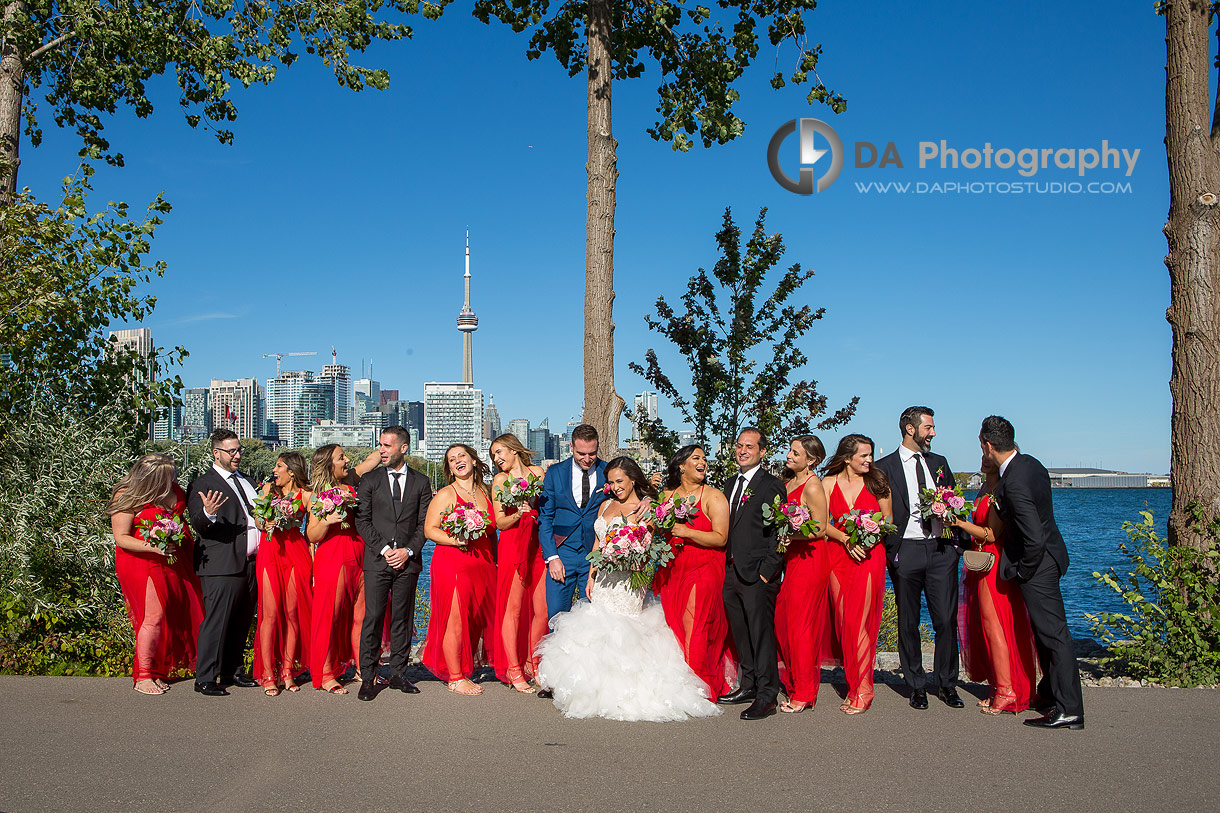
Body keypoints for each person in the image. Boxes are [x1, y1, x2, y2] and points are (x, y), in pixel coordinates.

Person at [535, 457, 720, 721]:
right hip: (602, 580)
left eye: (619, 481)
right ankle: (592, 686)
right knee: (596, 632)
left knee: (623, 632)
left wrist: (630, 554)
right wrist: (590, 575)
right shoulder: (605, 505)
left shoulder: (645, 509)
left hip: (628, 581)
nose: (615, 486)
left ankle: (624, 691)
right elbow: (598, 543)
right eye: (610, 482)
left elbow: (646, 548)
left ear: (633, 479)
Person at [980, 415, 1084, 730]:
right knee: (1045, 634)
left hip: (1037, 566)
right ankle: (1050, 696)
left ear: (987, 446)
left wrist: (1024, 570)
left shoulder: (1014, 482)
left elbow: (1033, 537)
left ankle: (1070, 710)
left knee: (1053, 635)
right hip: (1050, 557)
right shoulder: (1031, 464)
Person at [874, 406, 966, 711]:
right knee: (908, 621)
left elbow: (953, 500)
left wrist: (955, 548)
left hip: (941, 550)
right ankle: (915, 686)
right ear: (910, 429)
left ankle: (947, 684)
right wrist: (892, 551)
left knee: (945, 619)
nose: (934, 433)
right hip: (907, 550)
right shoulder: (884, 466)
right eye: (929, 427)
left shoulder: (939, 463)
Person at [108, 454, 205, 695]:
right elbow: (121, 538)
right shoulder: (127, 496)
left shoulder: (173, 490)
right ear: (151, 478)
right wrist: (155, 547)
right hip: (141, 559)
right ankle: (143, 676)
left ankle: (158, 671)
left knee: (172, 612)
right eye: (168, 475)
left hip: (174, 557)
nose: (173, 479)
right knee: (153, 615)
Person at [952, 453, 1039, 714]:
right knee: (983, 624)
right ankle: (996, 685)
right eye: (982, 455)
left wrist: (958, 522)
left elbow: (991, 533)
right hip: (980, 561)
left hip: (994, 560)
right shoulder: (983, 487)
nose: (983, 459)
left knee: (995, 624)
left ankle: (1007, 690)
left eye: (988, 456)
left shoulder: (1000, 490)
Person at [354, 426, 431, 701]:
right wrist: (386, 549)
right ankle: (368, 676)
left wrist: (408, 551)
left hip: (408, 562)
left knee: (403, 619)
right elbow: (361, 520)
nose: (381, 451)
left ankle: (399, 673)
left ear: (403, 448)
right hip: (378, 560)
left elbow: (424, 524)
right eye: (380, 445)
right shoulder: (370, 480)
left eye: (387, 446)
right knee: (372, 618)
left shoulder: (421, 482)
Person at [652, 444, 734, 699]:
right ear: (681, 465)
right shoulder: (665, 496)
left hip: (704, 568)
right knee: (674, 625)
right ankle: (678, 681)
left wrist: (687, 532)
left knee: (695, 625)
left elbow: (721, 538)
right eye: (696, 458)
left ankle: (696, 687)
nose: (702, 463)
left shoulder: (713, 496)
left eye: (704, 458)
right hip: (672, 569)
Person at [717, 427, 788, 721]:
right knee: (741, 633)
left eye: (750, 447)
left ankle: (767, 695)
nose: (743, 450)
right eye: (739, 445)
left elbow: (781, 531)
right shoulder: (729, 482)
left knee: (761, 635)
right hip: (731, 571)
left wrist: (768, 571)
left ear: (762, 452)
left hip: (757, 574)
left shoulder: (771, 485)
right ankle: (748, 686)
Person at [821, 434, 893, 714]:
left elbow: (888, 520)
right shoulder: (828, 483)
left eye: (871, 455)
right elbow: (820, 523)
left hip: (869, 557)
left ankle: (863, 689)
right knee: (844, 623)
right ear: (847, 457)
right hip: (838, 557)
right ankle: (854, 683)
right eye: (864, 455)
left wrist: (867, 540)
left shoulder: (878, 482)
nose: (869, 460)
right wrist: (846, 539)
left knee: (860, 623)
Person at [187, 429, 262, 696]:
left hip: (252, 562)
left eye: (239, 450)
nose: (238, 455)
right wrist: (209, 513)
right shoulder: (202, 483)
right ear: (216, 453)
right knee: (216, 621)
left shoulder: (248, 480)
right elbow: (199, 523)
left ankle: (232, 671)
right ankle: (205, 677)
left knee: (242, 620)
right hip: (222, 563)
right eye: (231, 451)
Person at [422, 444, 498, 695]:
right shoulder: (446, 494)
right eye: (452, 460)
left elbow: (493, 532)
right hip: (453, 562)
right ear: (449, 468)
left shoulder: (486, 492)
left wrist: (496, 560)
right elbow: (430, 529)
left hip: (483, 562)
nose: (457, 461)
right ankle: (455, 677)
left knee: (475, 619)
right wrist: (456, 539)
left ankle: (465, 668)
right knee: (454, 620)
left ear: (474, 461)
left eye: (461, 456)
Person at [774, 435, 831, 713]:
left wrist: (790, 536)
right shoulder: (788, 483)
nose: (789, 455)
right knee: (784, 620)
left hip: (810, 559)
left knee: (800, 626)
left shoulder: (813, 485)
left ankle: (804, 693)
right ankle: (796, 681)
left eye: (796, 453)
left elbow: (820, 528)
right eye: (790, 450)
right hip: (793, 559)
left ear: (812, 460)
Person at [489, 433, 548, 693]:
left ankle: (533, 662)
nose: (496, 458)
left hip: (538, 544)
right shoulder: (500, 480)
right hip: (513, 545)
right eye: (493, 455)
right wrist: (519, 514)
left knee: (541, 609)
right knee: (512, 609)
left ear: (514, 450)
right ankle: (514, 668)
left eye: (499, 452)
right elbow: (499, 522)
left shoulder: (538, 473)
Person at [251, 451, 313, 696]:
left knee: (291, 614)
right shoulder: (267, 490)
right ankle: (268, 673)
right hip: (270, 550)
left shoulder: (306, 496)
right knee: (270, 613)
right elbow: (256, 517)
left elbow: (313, 532)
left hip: (296, 552)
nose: (274, 470)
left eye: (278, 466)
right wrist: (262, 523)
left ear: (292, 470)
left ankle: (287, 671)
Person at [306, 444, 365, 694]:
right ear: (329, 465)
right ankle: (327, 673)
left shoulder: (351, 488)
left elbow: (371, 462)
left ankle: (364, 669)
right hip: (334, 556)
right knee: (331, 615)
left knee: (362, 616)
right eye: (342, 457)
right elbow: (311, 534)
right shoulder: (318, 495)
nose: (347, 460)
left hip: (360, 553)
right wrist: (325, 520)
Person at [538, 424, 608, 623]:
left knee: (593, 620)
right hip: (562, 554)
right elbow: (545, 518)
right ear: (571, 447)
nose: (587, 459)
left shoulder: (608, 471)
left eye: (592, 453)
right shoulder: (555, 473)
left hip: (594, 555)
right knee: (557, 619)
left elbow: (629, 493)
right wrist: (552, 557)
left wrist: (646, 499)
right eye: (581, 453)